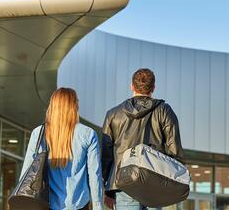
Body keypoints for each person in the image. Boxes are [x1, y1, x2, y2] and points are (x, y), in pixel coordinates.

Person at [102, 68, 184, 210]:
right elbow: (174, 149)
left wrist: (107, 189)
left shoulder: (113, 114)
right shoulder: (165, 111)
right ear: (153, 87)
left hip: (124, 183)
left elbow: (106, 156)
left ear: (132, 86)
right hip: (154, 182)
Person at [20, 88, 103, 210]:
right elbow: (94, 174)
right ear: (74, 105)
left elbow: (27, 172)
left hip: (47, 204)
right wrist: (97, 206)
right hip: (79, 203)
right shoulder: (88, 134)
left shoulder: (38, 134)